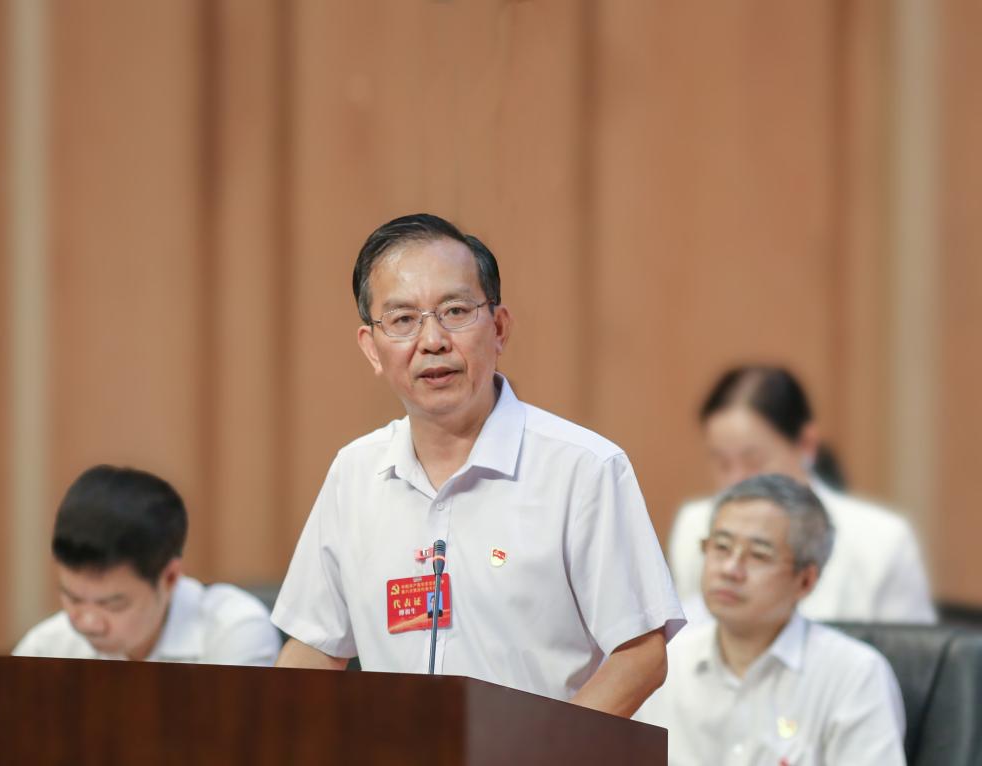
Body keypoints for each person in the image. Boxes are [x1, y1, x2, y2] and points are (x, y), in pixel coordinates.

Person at [271, 213, 684, 716]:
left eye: (455, 311)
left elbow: (639, 655)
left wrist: (551, 751)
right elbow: (315, 649)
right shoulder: (354, 473)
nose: (432, 340)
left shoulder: (583, 468)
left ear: (499, 328)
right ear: (372, 348)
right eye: (403, 320)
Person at [0, 464, 281, 760]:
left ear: (169, 577)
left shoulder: (233, 632)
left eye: (112, 605)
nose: (88, 622)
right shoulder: (50, 644)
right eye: (72, 597)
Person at [636, 474, 907, 765]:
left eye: (758, 555)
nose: (730, 569)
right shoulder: (664, 664)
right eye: (721, 547)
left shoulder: (854, 675)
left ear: (805, 581)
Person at [669, 365, 935, 623]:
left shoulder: (883, 539)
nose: (737, 481)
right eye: (722, 463)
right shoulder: (695, 524)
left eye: (754, 461)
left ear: (806, 443)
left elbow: (913, 651)